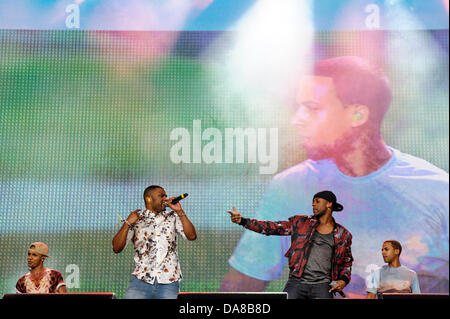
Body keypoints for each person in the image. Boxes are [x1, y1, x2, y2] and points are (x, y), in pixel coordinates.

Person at [221, 56, 449, 296]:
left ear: (358, 115)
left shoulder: (439, 190)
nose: (296, 119)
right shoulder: (290, 186)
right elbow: (237, 292)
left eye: (312, 108)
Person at [227, 191, 353, 299]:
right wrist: (243, 221)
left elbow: (347, 263)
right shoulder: (301, 223)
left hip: (323, 285)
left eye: (317, 201)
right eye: (313, 201)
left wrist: (343, 280)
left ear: (329, 204)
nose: (313, 204)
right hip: (297, 283)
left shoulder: (343, 234)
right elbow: (272, 227)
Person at [112, 185, 197, 299]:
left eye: (166, 196)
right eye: (161, 196)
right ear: (148, 199)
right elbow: (116, 248)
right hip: (141, 281)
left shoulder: (172, 217)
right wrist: (127, 223)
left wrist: (179, 211)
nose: (165, 198)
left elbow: (191, 236)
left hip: (169, 282)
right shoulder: (137, 220)